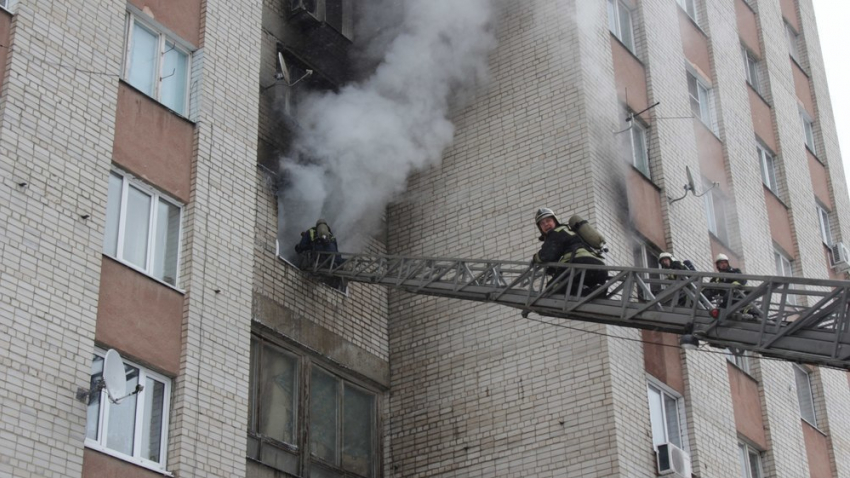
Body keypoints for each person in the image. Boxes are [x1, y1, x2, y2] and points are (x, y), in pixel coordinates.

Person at [532, 207, 607, 297]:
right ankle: (595, 291)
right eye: (542, 223)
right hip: (599, 269)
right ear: (540, 228)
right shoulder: (570, 232)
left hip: (581, 265)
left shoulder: (555, 233)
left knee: (552, 288)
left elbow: (546, 255)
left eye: (548, 220)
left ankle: (585, 292)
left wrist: (535, 259)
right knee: (573, 284)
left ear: (555, 221)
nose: (546, 224)